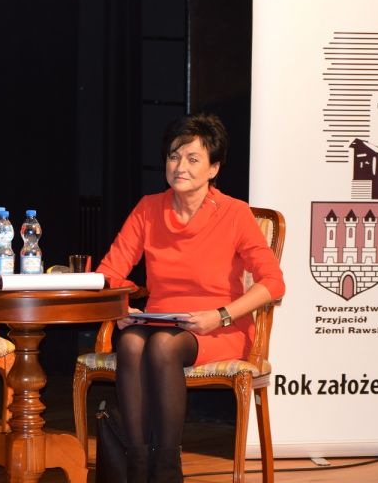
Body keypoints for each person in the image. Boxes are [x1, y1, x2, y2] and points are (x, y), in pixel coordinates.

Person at [95, 113, 285, 483]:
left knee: (162, 347)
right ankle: (138, 466)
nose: (180, 166)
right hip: (159, 321)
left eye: (192, 158)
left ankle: (167, 470)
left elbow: (273, 283)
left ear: (213, 168)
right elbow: (109, 272)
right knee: (131, 342)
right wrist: (122, 307)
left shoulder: (235, 213)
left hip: (219, 327)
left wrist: (221, 315)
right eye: (173, 156)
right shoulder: (149, 208)